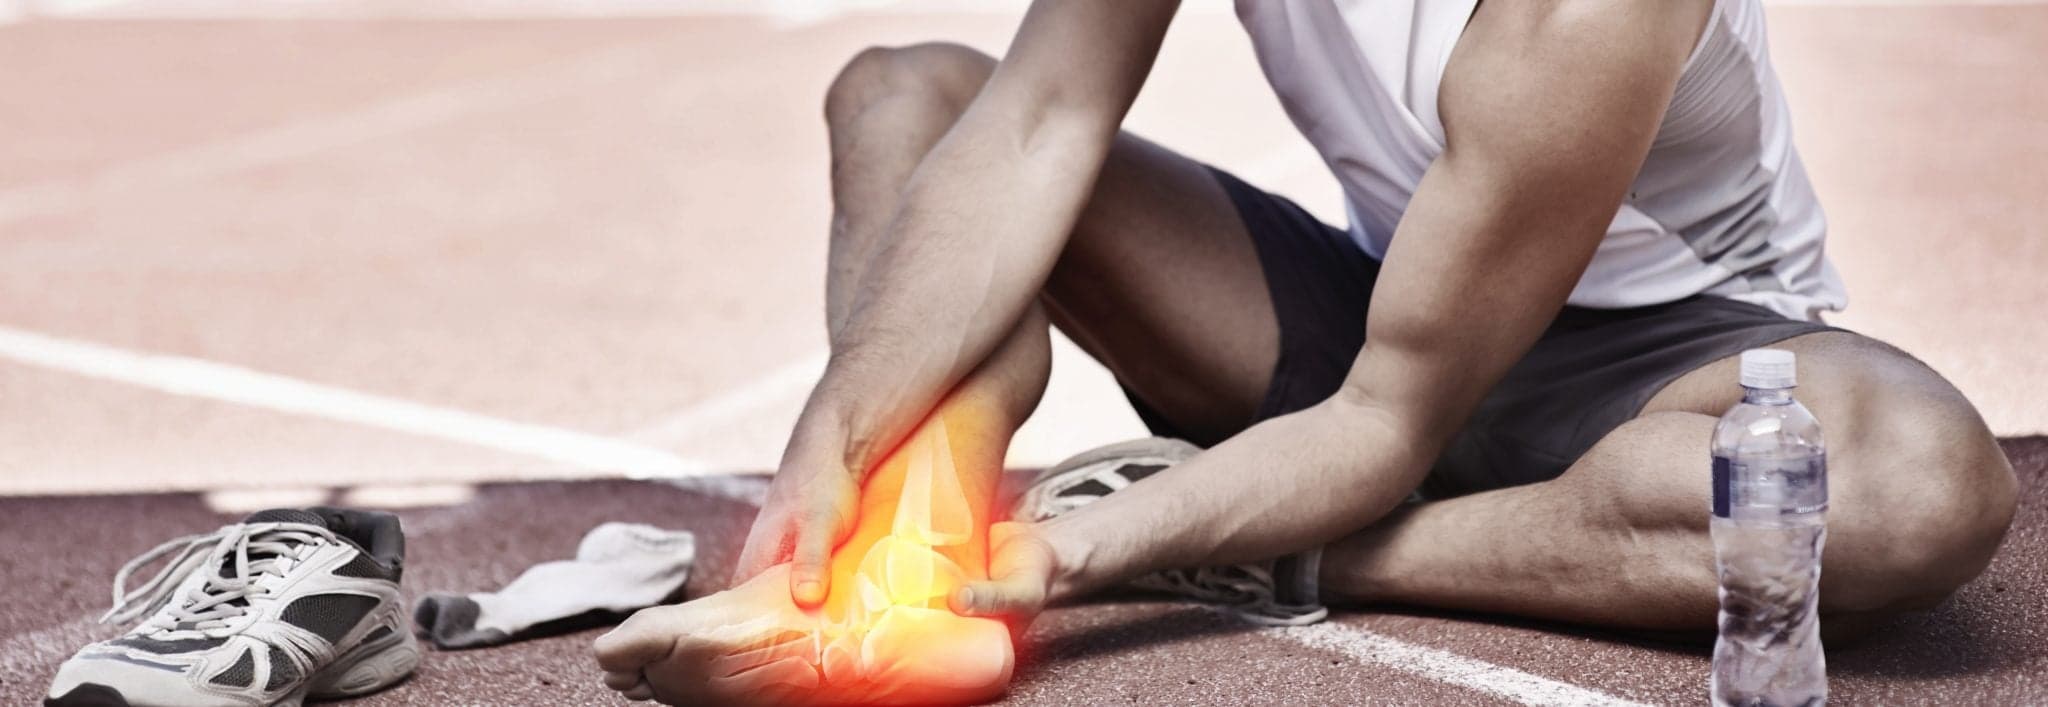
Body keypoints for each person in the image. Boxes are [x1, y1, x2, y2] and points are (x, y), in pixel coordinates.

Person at [599, 0, 2019, 700]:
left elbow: (1385, 425)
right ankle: (897, 583)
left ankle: (1271, 544)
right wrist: (839, 435)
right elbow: (1033, 126)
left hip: (1657, 359)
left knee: (1910, 490)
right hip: (1382, 306)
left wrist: (1092, 553)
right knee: (906, 98)